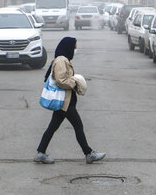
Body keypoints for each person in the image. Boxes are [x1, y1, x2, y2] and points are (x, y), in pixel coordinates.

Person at [35, 36, 105, 164]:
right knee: (78, 126)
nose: (75, 49)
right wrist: (75, 82)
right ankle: (89, 154)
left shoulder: (62, 59)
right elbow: (61, 80)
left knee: (52, 128)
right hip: (65, 102)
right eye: (74, 47)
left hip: (64, 101)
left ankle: (40, 153)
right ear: (68, 47)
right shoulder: (62, 60)